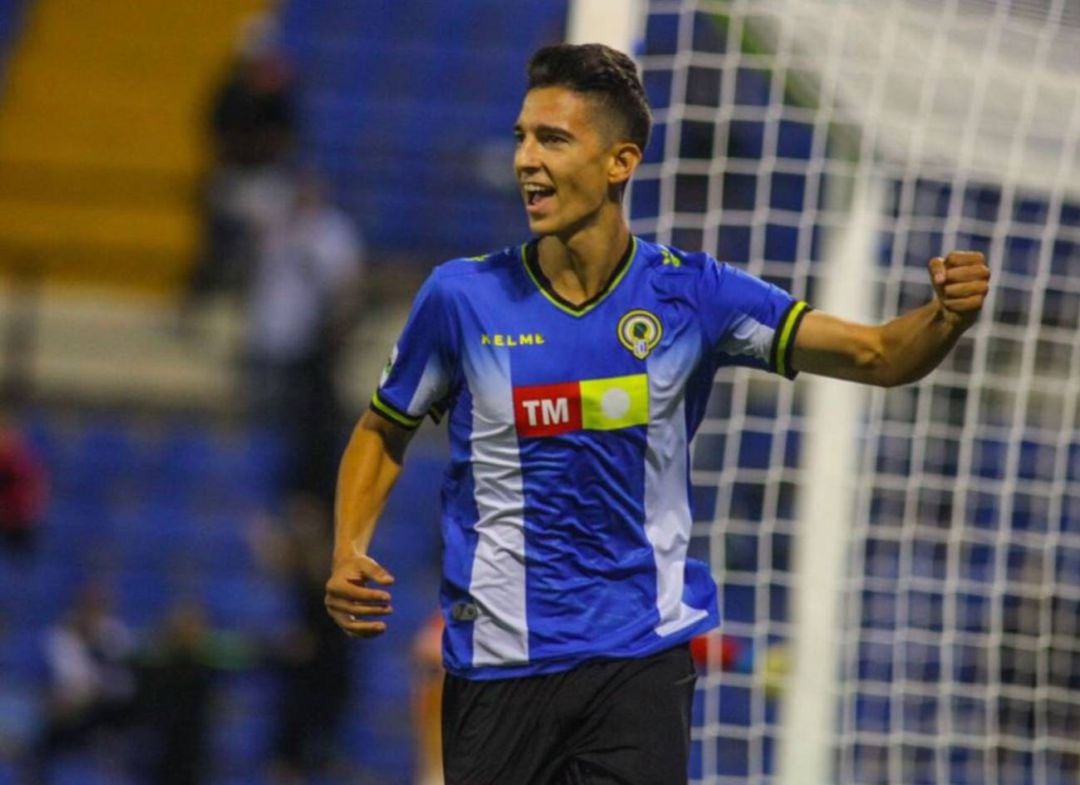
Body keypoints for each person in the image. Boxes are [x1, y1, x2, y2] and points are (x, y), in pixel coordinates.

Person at [324, 43, 990, 785]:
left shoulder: (694, 296)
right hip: (500, 663)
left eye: (553, 139)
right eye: (521, 136)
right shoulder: (460, 298)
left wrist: (944, 317)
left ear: (621, 162)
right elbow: (383, 429)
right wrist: (349, 547)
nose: (526, 160)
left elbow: (875, 354)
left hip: (638, 659)